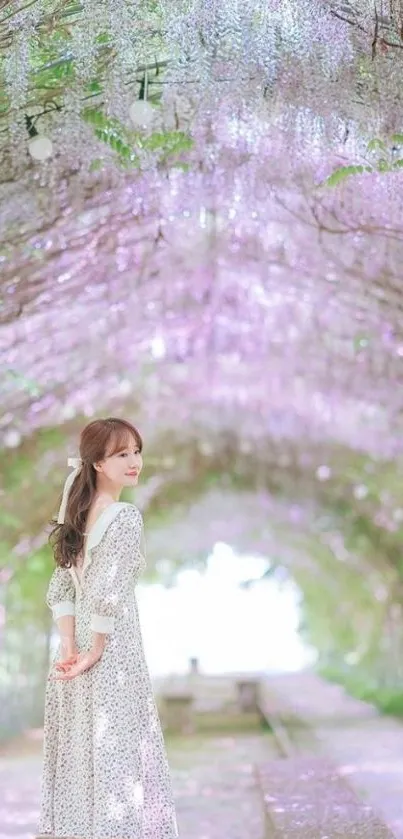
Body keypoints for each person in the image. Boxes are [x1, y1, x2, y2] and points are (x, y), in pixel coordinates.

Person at [36, 417, 179, 839]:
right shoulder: (124, 516)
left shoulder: (77, 513)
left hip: (72, 652)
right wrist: (95, 650)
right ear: (98, 462)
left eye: (136, 451)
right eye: (122, 454)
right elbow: (108, 588)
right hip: (109, 652)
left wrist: (68, 646)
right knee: (120, 753)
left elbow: (62, 583)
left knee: (83, 756)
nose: (134, 462)